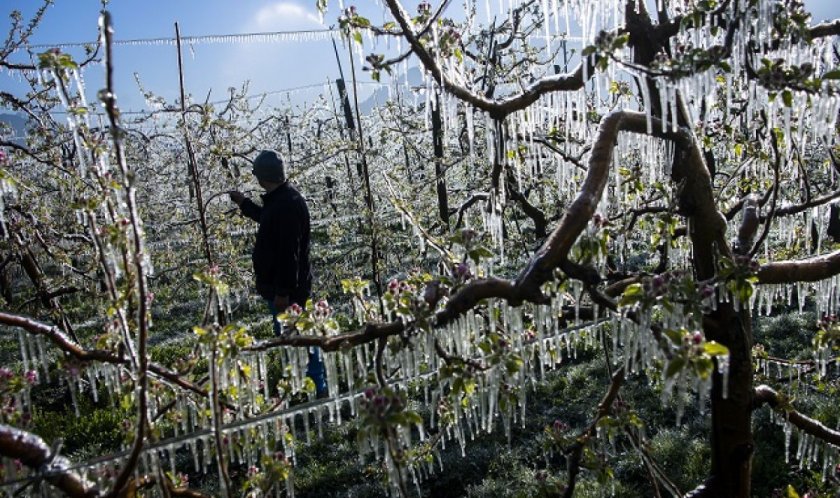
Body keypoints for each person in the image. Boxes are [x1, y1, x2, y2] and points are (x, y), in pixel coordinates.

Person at [228, 149, 327, 398]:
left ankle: (316, 391)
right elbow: (267, 219)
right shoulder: (282, 200)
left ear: (262, 177)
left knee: (299, 339)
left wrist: (283, 292)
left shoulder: (286, 204)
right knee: (292, 339)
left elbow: (288, 254)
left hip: (287, 292)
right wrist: (245, 205)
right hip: (282, 288)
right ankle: (302, 388)